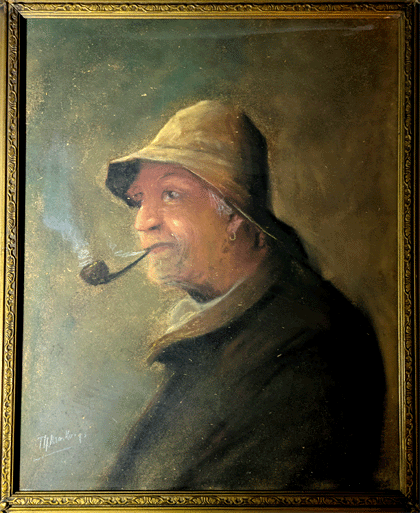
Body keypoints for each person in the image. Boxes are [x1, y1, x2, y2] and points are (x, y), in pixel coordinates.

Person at [101, 100, 385, 491]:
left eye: (170, 194)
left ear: (234, 214)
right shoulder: (216, 328)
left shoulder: (310, 344)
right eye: (139, 199)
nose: (143, 221)